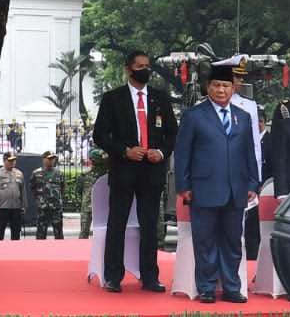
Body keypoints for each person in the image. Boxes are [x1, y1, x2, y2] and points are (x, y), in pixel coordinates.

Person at [92, 49, 179, 293]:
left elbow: (172, 133)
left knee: (150, 225)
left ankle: (149, 276)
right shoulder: (113, 99)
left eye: (147, 65)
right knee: (117, 223)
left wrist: (160, 152)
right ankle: (113, 276)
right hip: (124, 170)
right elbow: (100, 135)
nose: (145, 70)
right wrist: (125, 150)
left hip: (151, 171)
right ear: (128, 69)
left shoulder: (160, 98)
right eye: (140, 66)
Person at [174, 64, 259, 303]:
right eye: (217, 85)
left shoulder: (242, 117)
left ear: (233, 88)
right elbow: (182, 154)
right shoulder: (194, 115)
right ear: (208, 87)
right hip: (203, 189)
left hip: (236, 189)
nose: (221, 90)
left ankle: (232, 287)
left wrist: (253, 182)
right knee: (205, 241)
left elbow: (248, 152)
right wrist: (183, 185)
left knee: (233, 241)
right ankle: (208, 287)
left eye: (226, 86)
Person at [29, 151, 65, 240]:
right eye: (49, 159)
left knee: (58, 231)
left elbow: (63, 187)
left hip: (56, 208)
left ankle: (61, 251)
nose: (51, 161)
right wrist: (40, 199)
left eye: (53, 159)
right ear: (44, 159)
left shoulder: (59, 173)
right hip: (42, 207)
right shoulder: (36, 173)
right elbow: (32, 188)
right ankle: (40, 251)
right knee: (41, 232)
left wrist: (57, 198)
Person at [0, 153, 25, 241]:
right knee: (0, 230)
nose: (13, 162)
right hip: (2, 207)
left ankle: (15, 250)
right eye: (10, 160)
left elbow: (23, 191)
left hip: (16, 207)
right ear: (4, 161)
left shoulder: (19, 173)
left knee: (16, 230)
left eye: (14, 160)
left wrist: (23, 205)